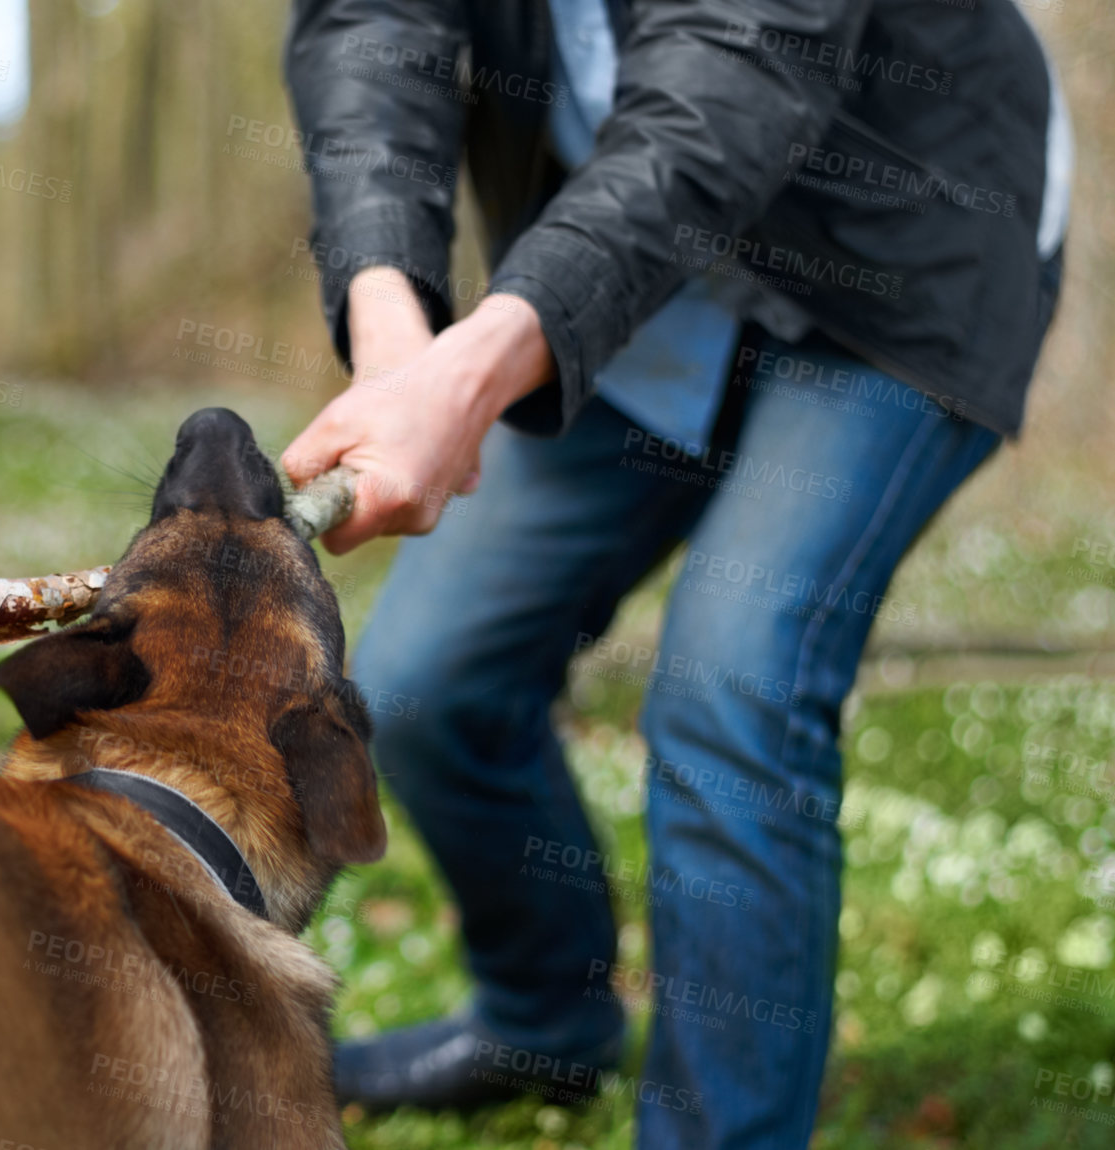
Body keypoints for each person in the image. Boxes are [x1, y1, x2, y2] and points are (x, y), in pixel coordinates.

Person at [278, 0, 1071, 1145]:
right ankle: (545, 1024)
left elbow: (733, 76)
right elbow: (371, 22)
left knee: (733, 687)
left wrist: (467, 383)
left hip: (904, 245)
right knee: (422, 682)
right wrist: (394, 326)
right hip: (637, 256)